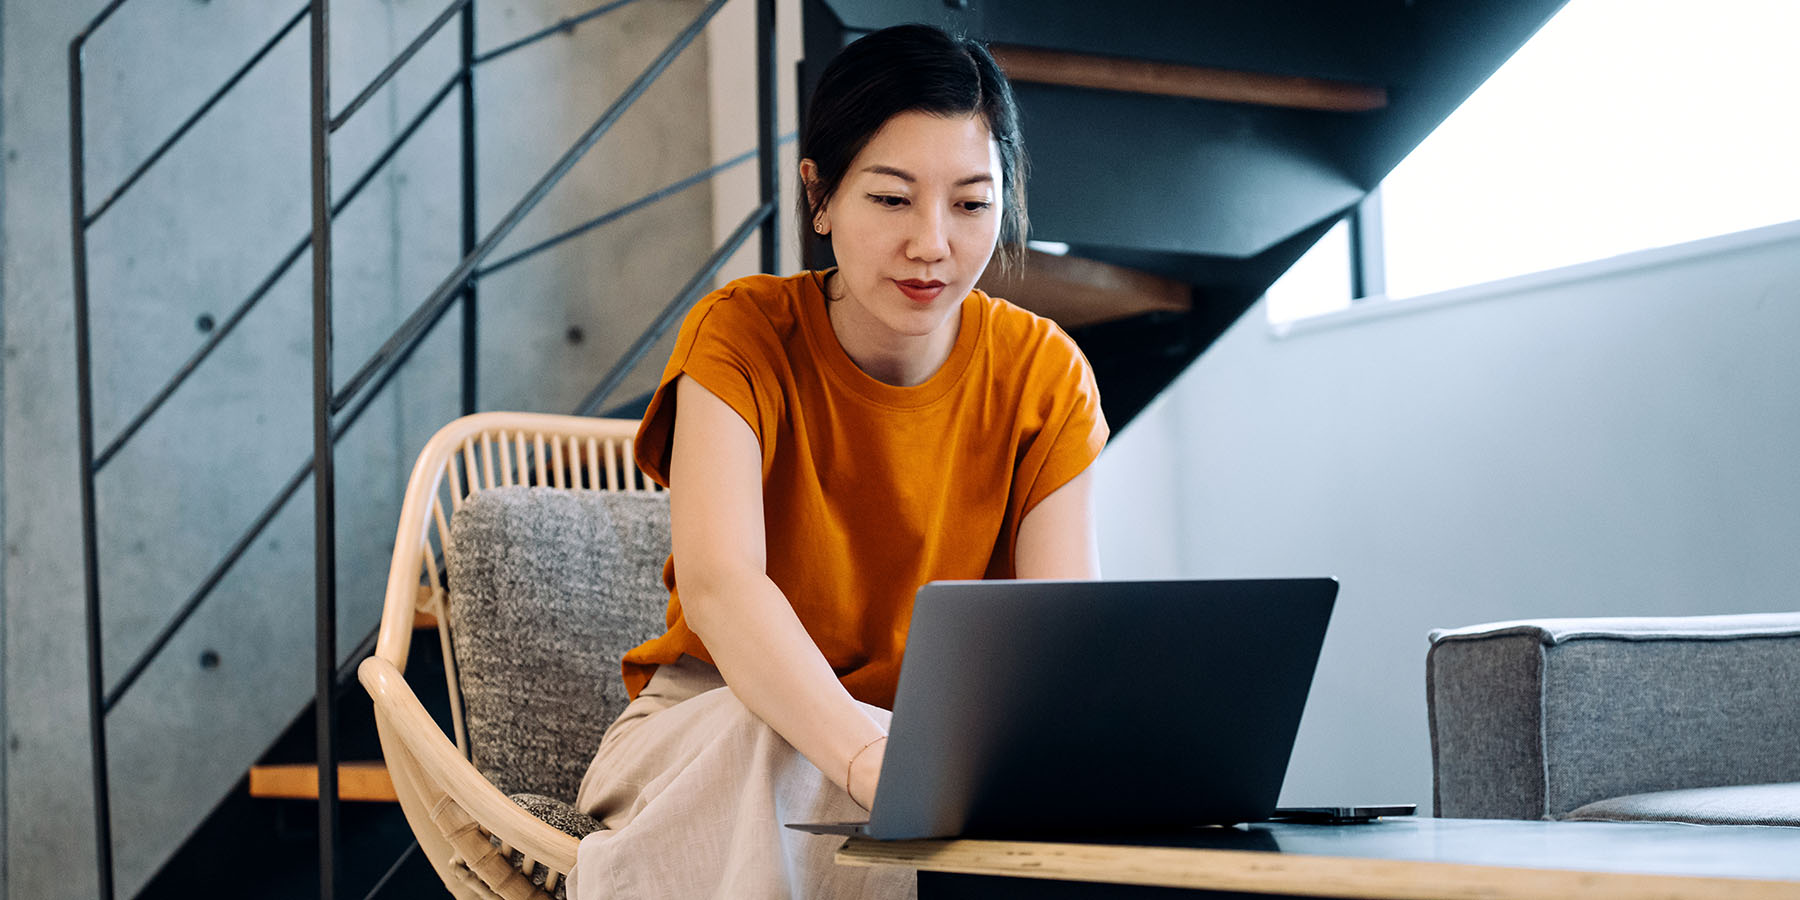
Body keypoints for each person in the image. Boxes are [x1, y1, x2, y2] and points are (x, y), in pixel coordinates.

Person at [567, 23, 1108, 900]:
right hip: (711, 727)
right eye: (892, 200)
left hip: (925, 751)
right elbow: (720, 584)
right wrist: (862, 753)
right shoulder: (741, 336)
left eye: (971, 204)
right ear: (819, 197)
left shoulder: (1044, 375)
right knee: (785, 748)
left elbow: (1059, 641)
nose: (932, 243)